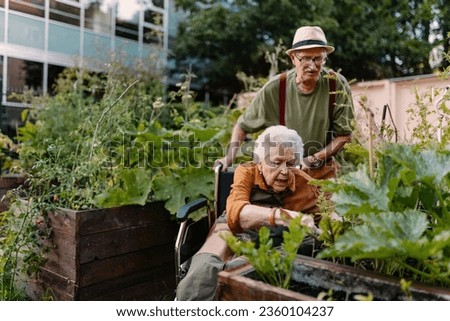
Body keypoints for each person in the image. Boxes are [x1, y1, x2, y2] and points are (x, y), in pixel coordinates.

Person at [176, 125, 321, 301]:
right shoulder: (246, 172)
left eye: (290, 164)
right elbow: (237, 211)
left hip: (279, 236)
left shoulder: (306, 184)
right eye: (276, 162)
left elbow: (329, 218)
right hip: (236, 225)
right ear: (259, 163)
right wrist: (283, 215)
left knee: (242, 270)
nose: (284, 171)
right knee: (204, 269)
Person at [217, 26, 355, 179]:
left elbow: (344, 136)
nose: (313, 65)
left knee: (327, 203)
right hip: (282, 172)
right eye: (305, 58)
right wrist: (229, 157)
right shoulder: (276, 87)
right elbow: (243, 125)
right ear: (293, 58)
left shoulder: (336, 84)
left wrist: (313, 159)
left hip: (322, 170)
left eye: (318, 58)